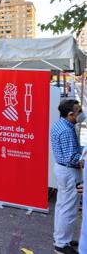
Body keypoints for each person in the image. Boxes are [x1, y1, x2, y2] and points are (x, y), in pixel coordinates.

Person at [51, 99, 86, 254]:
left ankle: (60, 237)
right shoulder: (66, 130)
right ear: (70, 114)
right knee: (69, 209)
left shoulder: (60, 124)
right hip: (69, 172)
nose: (82, 113)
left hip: (62, 170)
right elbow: (72, 158)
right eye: (79, 111)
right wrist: (84, 158)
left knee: (61, 206)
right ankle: (61, 244)